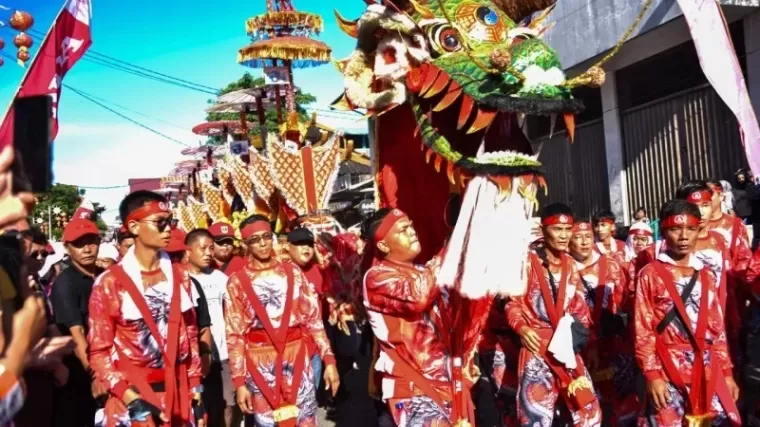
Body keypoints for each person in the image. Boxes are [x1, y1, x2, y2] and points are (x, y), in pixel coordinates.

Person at [87, 191, 205, 427]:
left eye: (170, 221)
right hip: (133, 398)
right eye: (159, 223)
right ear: (134, 226)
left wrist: (196, 387)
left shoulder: (181, 277)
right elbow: (99, 351)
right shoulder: (110, 283)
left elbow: (190, 335)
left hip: (179, 394)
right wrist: (129, 397)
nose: (168, 229)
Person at [223, 215, 339, 426]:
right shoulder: (236, 282)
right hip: (259, 360)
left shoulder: (292, 272)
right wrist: (239, 381)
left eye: (266, 236)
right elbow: (234, 335)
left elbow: (313, 320)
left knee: (304, 419)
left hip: (296, 355)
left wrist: (329, 360)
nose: (262, 243)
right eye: (254, 239)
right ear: (245, 244)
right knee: (268, 422)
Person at [362, 208, 472, 426]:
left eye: (410, 225)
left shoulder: (424, 271)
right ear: (383, 245)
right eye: (403, 229)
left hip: (449, 383)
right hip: (413, 390)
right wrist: (453, 242)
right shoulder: (376, 277)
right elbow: (418, 296)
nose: (412, 231)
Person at [634, 199, 740, 425]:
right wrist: (652, 375)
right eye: (675, 229)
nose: (683, 236)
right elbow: (643, 329)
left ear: (699, 230)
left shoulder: (706, 274)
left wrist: (728, 373)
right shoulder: (650, 274)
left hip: (707, 369)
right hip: (667, 370)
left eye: (691, 229)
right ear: (663, 232)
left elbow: (717, 329)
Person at [506, 204, 600, 427]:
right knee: (537, 417)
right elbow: (513, 304)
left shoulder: (570, 265)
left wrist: (590, 343)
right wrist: (522, 328)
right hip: (537, 348)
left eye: (568, 230)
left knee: (589, 412)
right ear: (543, 228)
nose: (564, 235)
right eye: (558, 229)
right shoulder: (527, 262)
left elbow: (580, 309)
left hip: (566, 348)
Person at [568, 221, 637, 425]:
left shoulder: (611, 265)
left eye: (587, 237)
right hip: (580, 346)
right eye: (578, 237)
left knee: (624, 398)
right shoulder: (565, 269)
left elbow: (625, 298)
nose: (583, 242)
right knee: (587, 402)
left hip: (613, 343)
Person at [49, 219, 104, 427]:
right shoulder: (65, 283)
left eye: (91, 241)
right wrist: (95, 376)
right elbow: (76, 334)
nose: (87, 249)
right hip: (80, 376)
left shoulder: (105, 277)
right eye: (79, 244)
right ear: (67, 248)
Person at [183, 229, 240, 427]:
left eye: (210, 248)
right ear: (188, 251)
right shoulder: (180, 280)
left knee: (228, 403)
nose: (208, 252)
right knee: (200, 407)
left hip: (223, 354)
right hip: (194, 358)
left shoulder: (220, 278)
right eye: (202, 248)